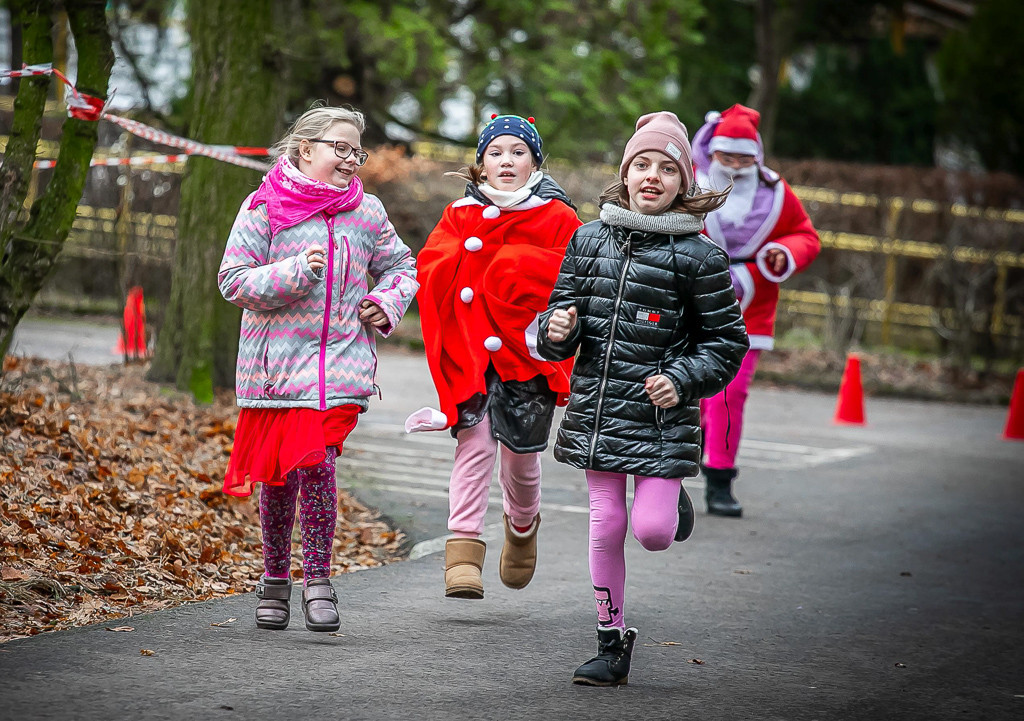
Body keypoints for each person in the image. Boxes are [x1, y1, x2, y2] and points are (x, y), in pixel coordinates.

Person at [537, 111, 749, 686]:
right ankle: (611, 642)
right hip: (600, 416)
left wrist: (682, 378)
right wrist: (555, 332)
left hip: (662, 420)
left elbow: (728, 343)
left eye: (666, 168)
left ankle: (670, 498)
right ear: (625, 173)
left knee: (651, 533)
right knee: (605, 527)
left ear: (685, 181)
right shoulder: (588, 239)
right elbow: (557, 317)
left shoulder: (700, 257)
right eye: (641, 165)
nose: (651, 176)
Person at [218, 105, 418, 632]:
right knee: (281, 478)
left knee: (319, 465)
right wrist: (292, 273)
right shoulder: (263, 206)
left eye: (358, 150)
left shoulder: (367, 212)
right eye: (340, 147)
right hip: (277, 372)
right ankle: (275, 579)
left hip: (341, 369)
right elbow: (233, 280)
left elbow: (402, 266)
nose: (351, 159)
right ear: (304, 150)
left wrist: (387, 302)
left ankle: (320, 579)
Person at [407, 114, 581, 599]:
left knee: (520, 462)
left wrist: (513, 270)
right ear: (480, 165)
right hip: (471, 357)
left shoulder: (559, 218)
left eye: (518, 152)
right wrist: (459, 265)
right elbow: (431, 266)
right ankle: (463, 551)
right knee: (475, 446)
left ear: (535, 162)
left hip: (529, 357)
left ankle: (522, 530)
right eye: (496, 152)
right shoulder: (458, 213)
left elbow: (575, 280)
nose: (507, 161)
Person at [691, 104, 820, 517]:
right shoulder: (688, 183)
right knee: (689, 390)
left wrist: (782, 253)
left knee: (731, 392)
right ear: (712, 152)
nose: (735, 165)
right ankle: (680, 459)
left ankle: (720, 481)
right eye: (726, 157)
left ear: (757, 155)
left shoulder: (777, 192)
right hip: (689, 303)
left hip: (752, 302)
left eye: (744, 158)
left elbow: (806, 236)